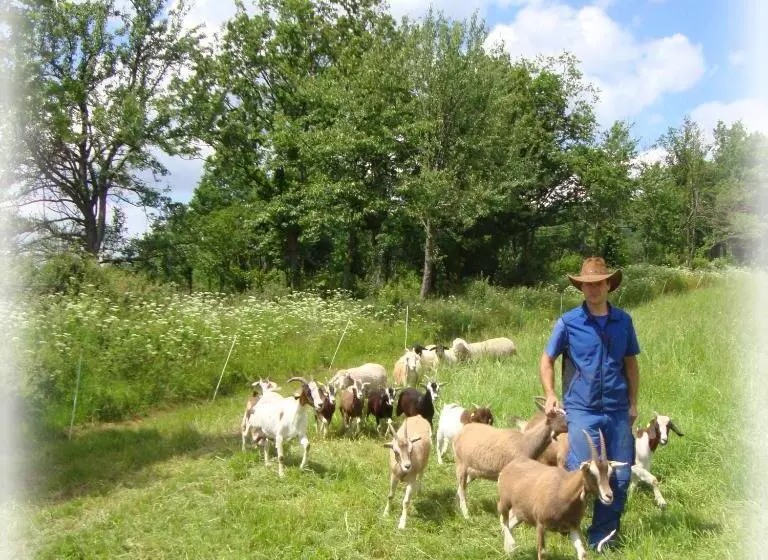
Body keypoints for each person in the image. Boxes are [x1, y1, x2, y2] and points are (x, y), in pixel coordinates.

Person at [539, 256, 639, 551]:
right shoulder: (569, 322)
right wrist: (550, 393)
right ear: (580, 287)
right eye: (587, 285)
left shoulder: (624, 321)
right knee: (582, 471)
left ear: (609, 285)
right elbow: (547, 359)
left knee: (620, 474)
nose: (593, 289)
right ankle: (567, 523)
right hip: (581, 410)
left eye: (598, 283)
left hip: (617, 409)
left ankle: (602, 539)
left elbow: (630, 364)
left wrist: (633, 402)